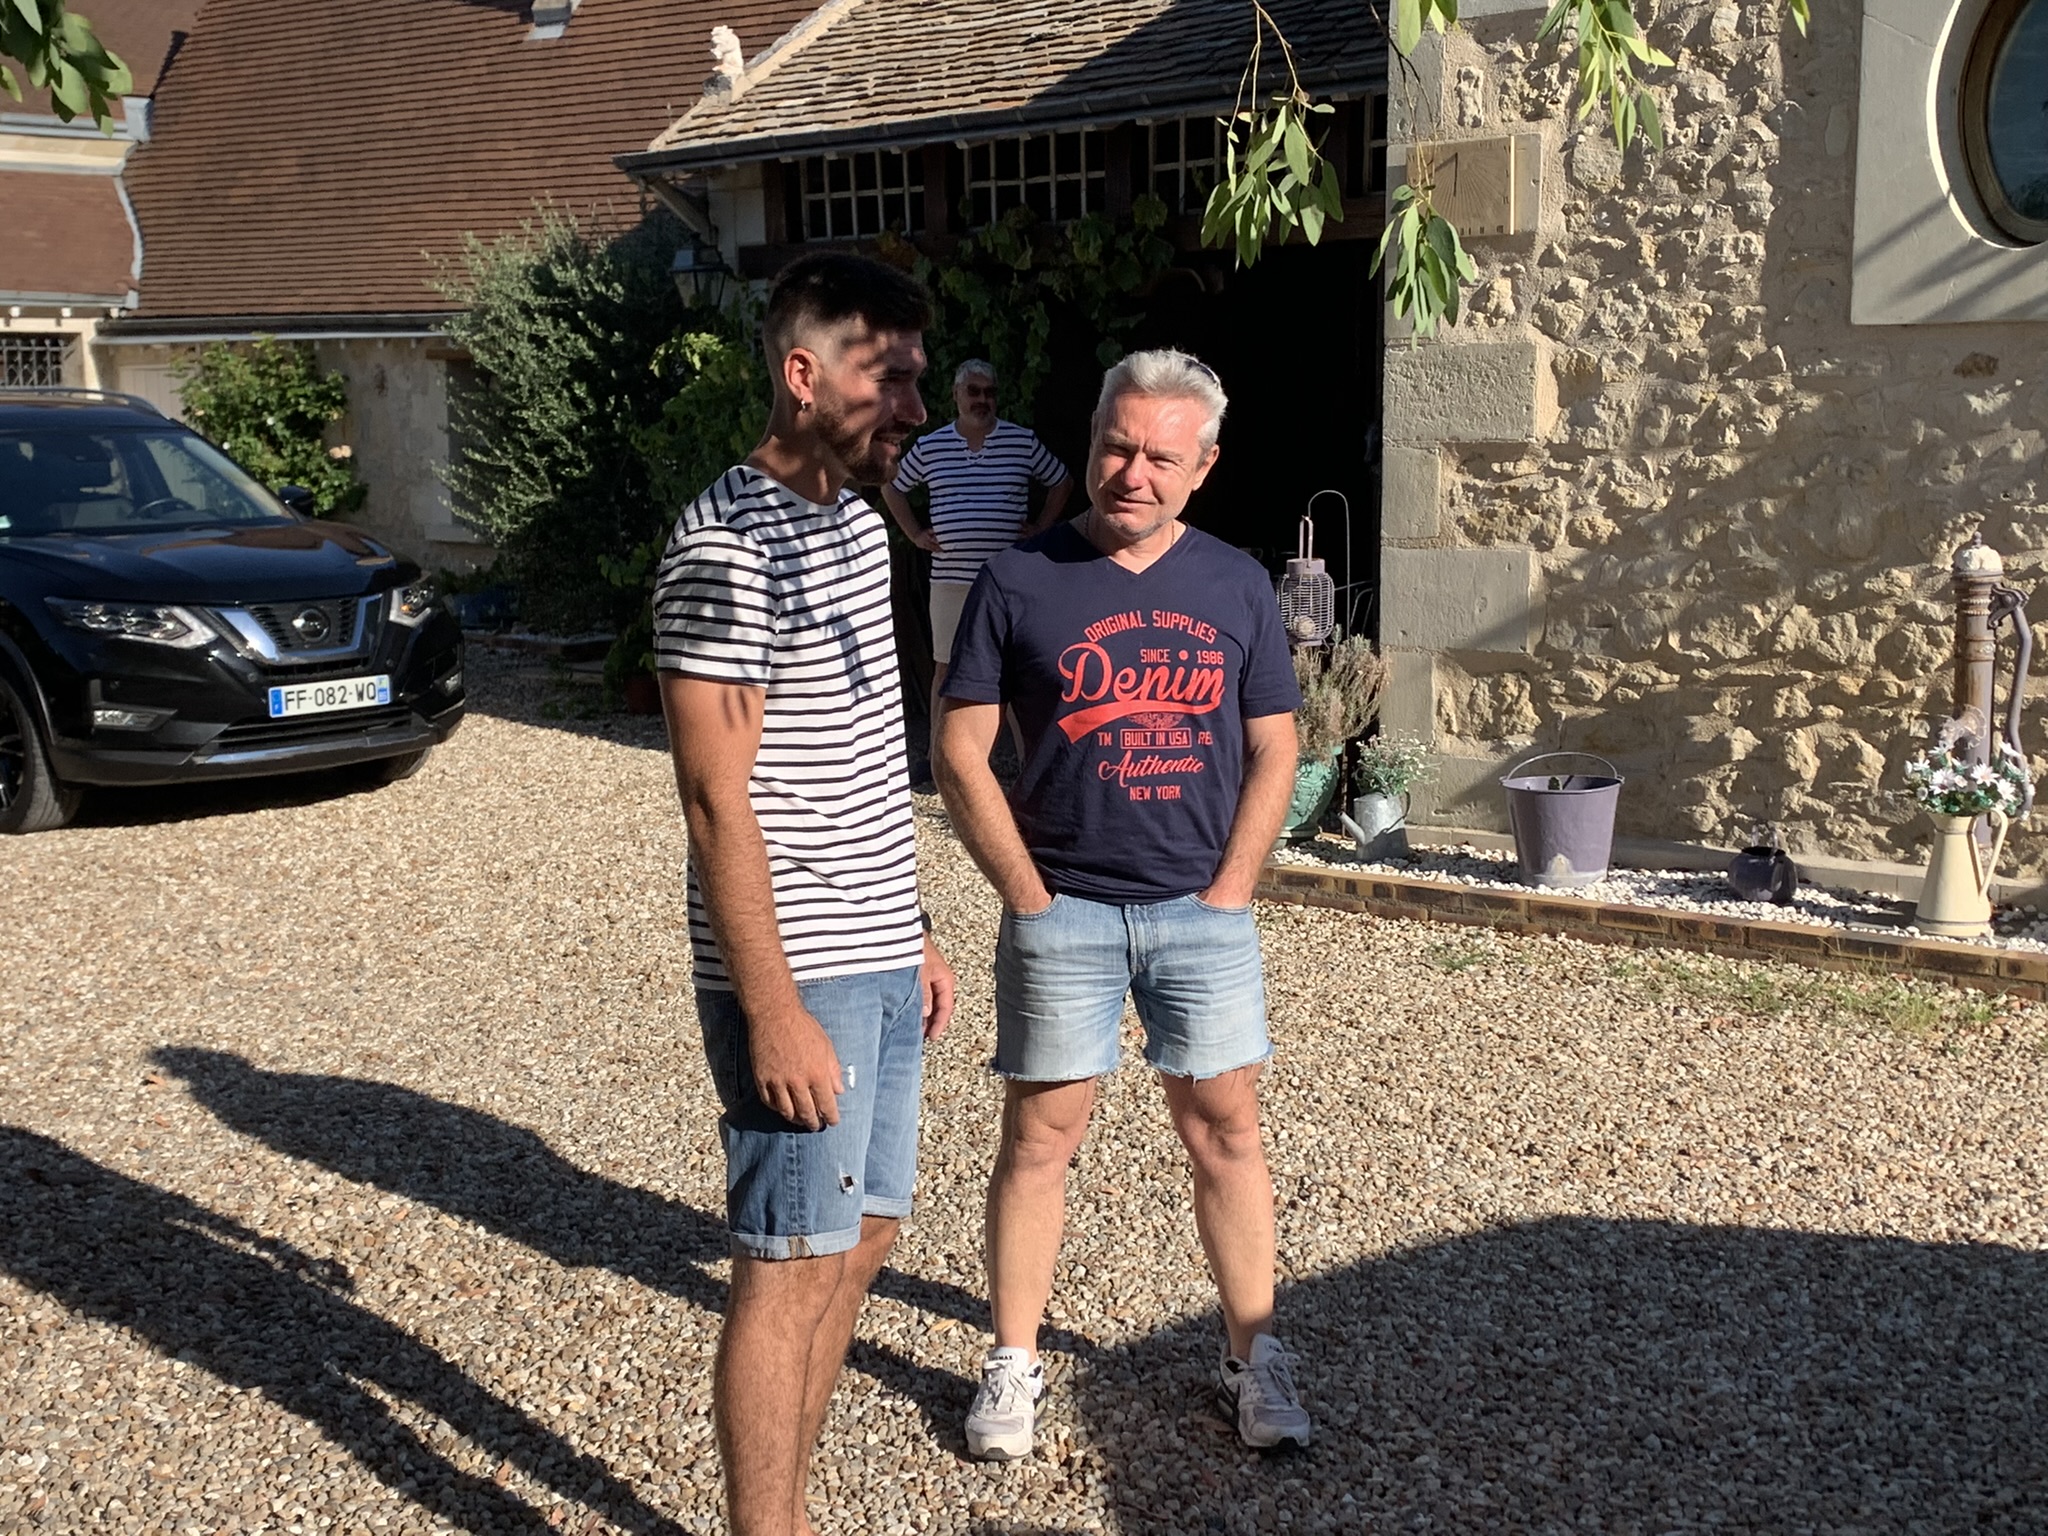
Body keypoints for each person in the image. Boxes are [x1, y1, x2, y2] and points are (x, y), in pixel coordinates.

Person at [932, 348, 1312, 1460]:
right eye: (1115, 445)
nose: (1131, 473)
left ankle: (1253, 1356)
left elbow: (1276, 747)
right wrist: (1027, 894)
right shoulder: (1018, 578)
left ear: (1203, 466)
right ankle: (1013, 1360)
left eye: (1159, 456)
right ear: (1091, 438)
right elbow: (959, 748)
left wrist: (1233, 889)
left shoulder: (1236, 584)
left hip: (1202, 915)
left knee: (1226, 1133)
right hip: (1068, 915)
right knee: (1038, 1140)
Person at [652, 252, 958, 1536]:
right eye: (892, 381)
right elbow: (715, 801)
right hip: (800, 972)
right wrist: (773, 1011)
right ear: (801, 374)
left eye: (919, 382)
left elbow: (858, 758)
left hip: (876, 949)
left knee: (865, 1236)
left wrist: (916, 927)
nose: (916, 410)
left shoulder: (852, 524)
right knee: (785, 1267)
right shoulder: (724, 549)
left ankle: (789, 1505)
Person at [880, 359, 1072, 737]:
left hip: (1008, 582)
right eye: (974, 391)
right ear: (956, 395)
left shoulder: (1021, 441)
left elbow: (1061, 481)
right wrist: (914, 533)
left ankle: (1026, 759)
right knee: (946, 668)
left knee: (1015, 669)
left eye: (990, 392)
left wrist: (1041, 528)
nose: (982, 399)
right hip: (950, 579)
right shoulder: (932, 446)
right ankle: (937, 754)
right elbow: (891, 484)